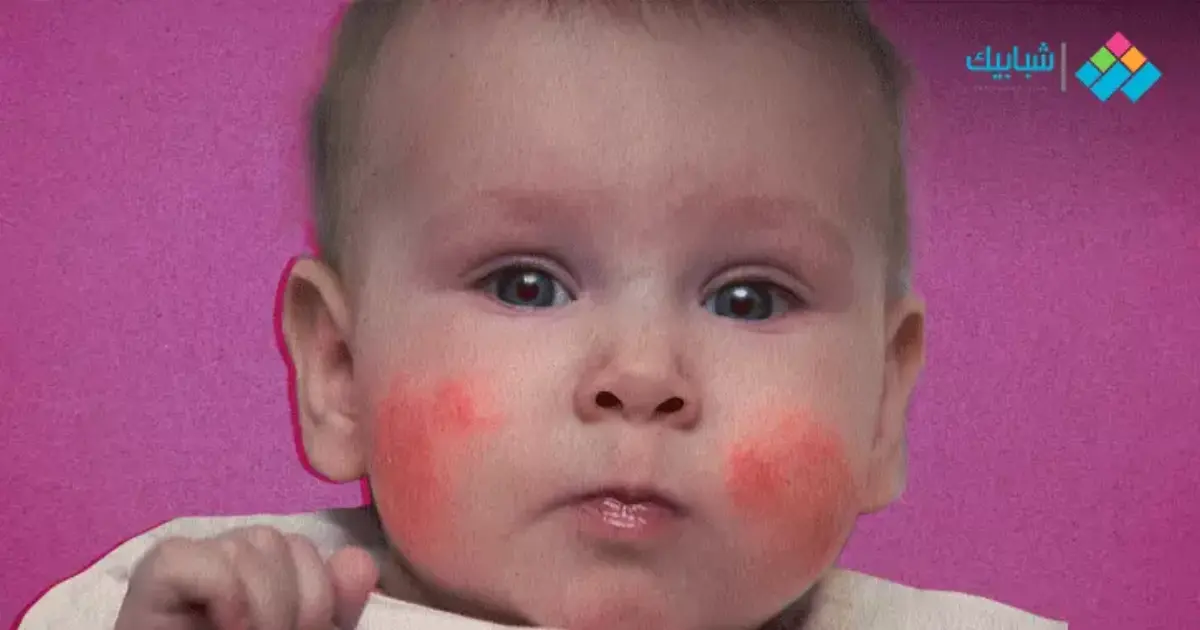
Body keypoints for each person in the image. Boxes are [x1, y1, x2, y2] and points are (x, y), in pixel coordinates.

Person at [19, 1, 1068, 628]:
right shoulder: (211, 607)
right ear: (339, 368)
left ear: (882, 407)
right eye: (526, 284)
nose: (642, 375)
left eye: (748, 298)